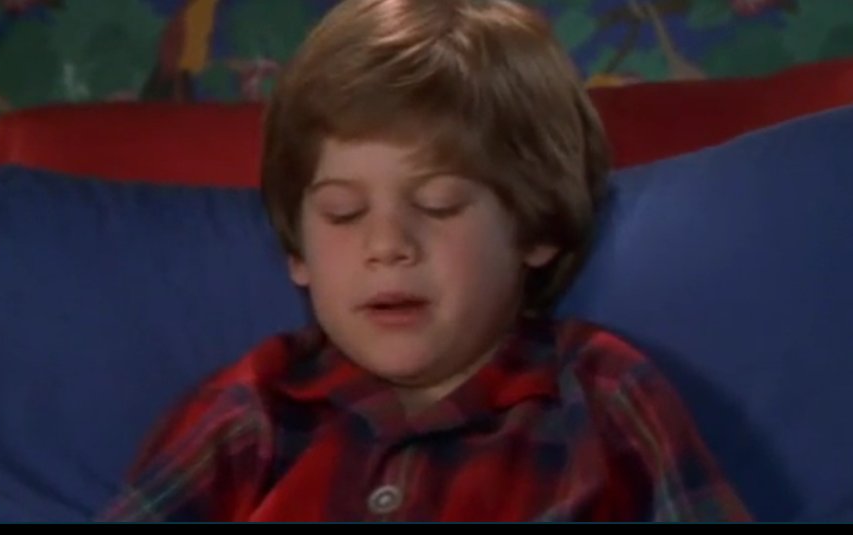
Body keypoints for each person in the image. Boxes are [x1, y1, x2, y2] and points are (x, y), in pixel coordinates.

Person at [100, 0, 751, 522]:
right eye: (343, 213)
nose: (386, 245)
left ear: (535, 225)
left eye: (439, 205)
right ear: (298, 249)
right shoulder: (249, 413)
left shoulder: (604, 396)